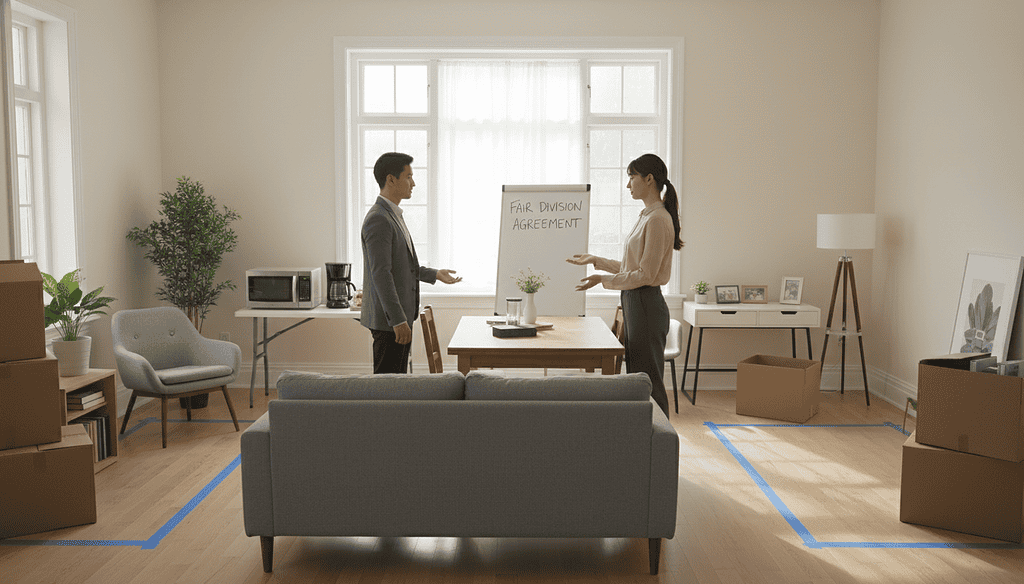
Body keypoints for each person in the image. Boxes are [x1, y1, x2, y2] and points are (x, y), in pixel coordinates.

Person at [566, 153, 683, 416]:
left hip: (644, 303)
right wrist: (597, 261)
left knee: (647, 380)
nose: (628, 185)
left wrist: (603, 280)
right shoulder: (647, 216)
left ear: (649, 179)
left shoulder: (657, 219)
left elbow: (644, 275)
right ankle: (643, 436)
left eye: (631, 177)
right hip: (635, 302)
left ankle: (659, 437)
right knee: (637, 378)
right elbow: (634, 268)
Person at [361, 152, 462, 373]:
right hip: (390, 323)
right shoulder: (379, 218)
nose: (413, 183)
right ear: (391, 179)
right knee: (389, 388)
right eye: (408, 177)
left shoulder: (393, 215)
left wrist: (435, 274)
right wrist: (397, 321)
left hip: (399, 319)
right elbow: (381, 274)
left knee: (397, 386)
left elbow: (404, 267)